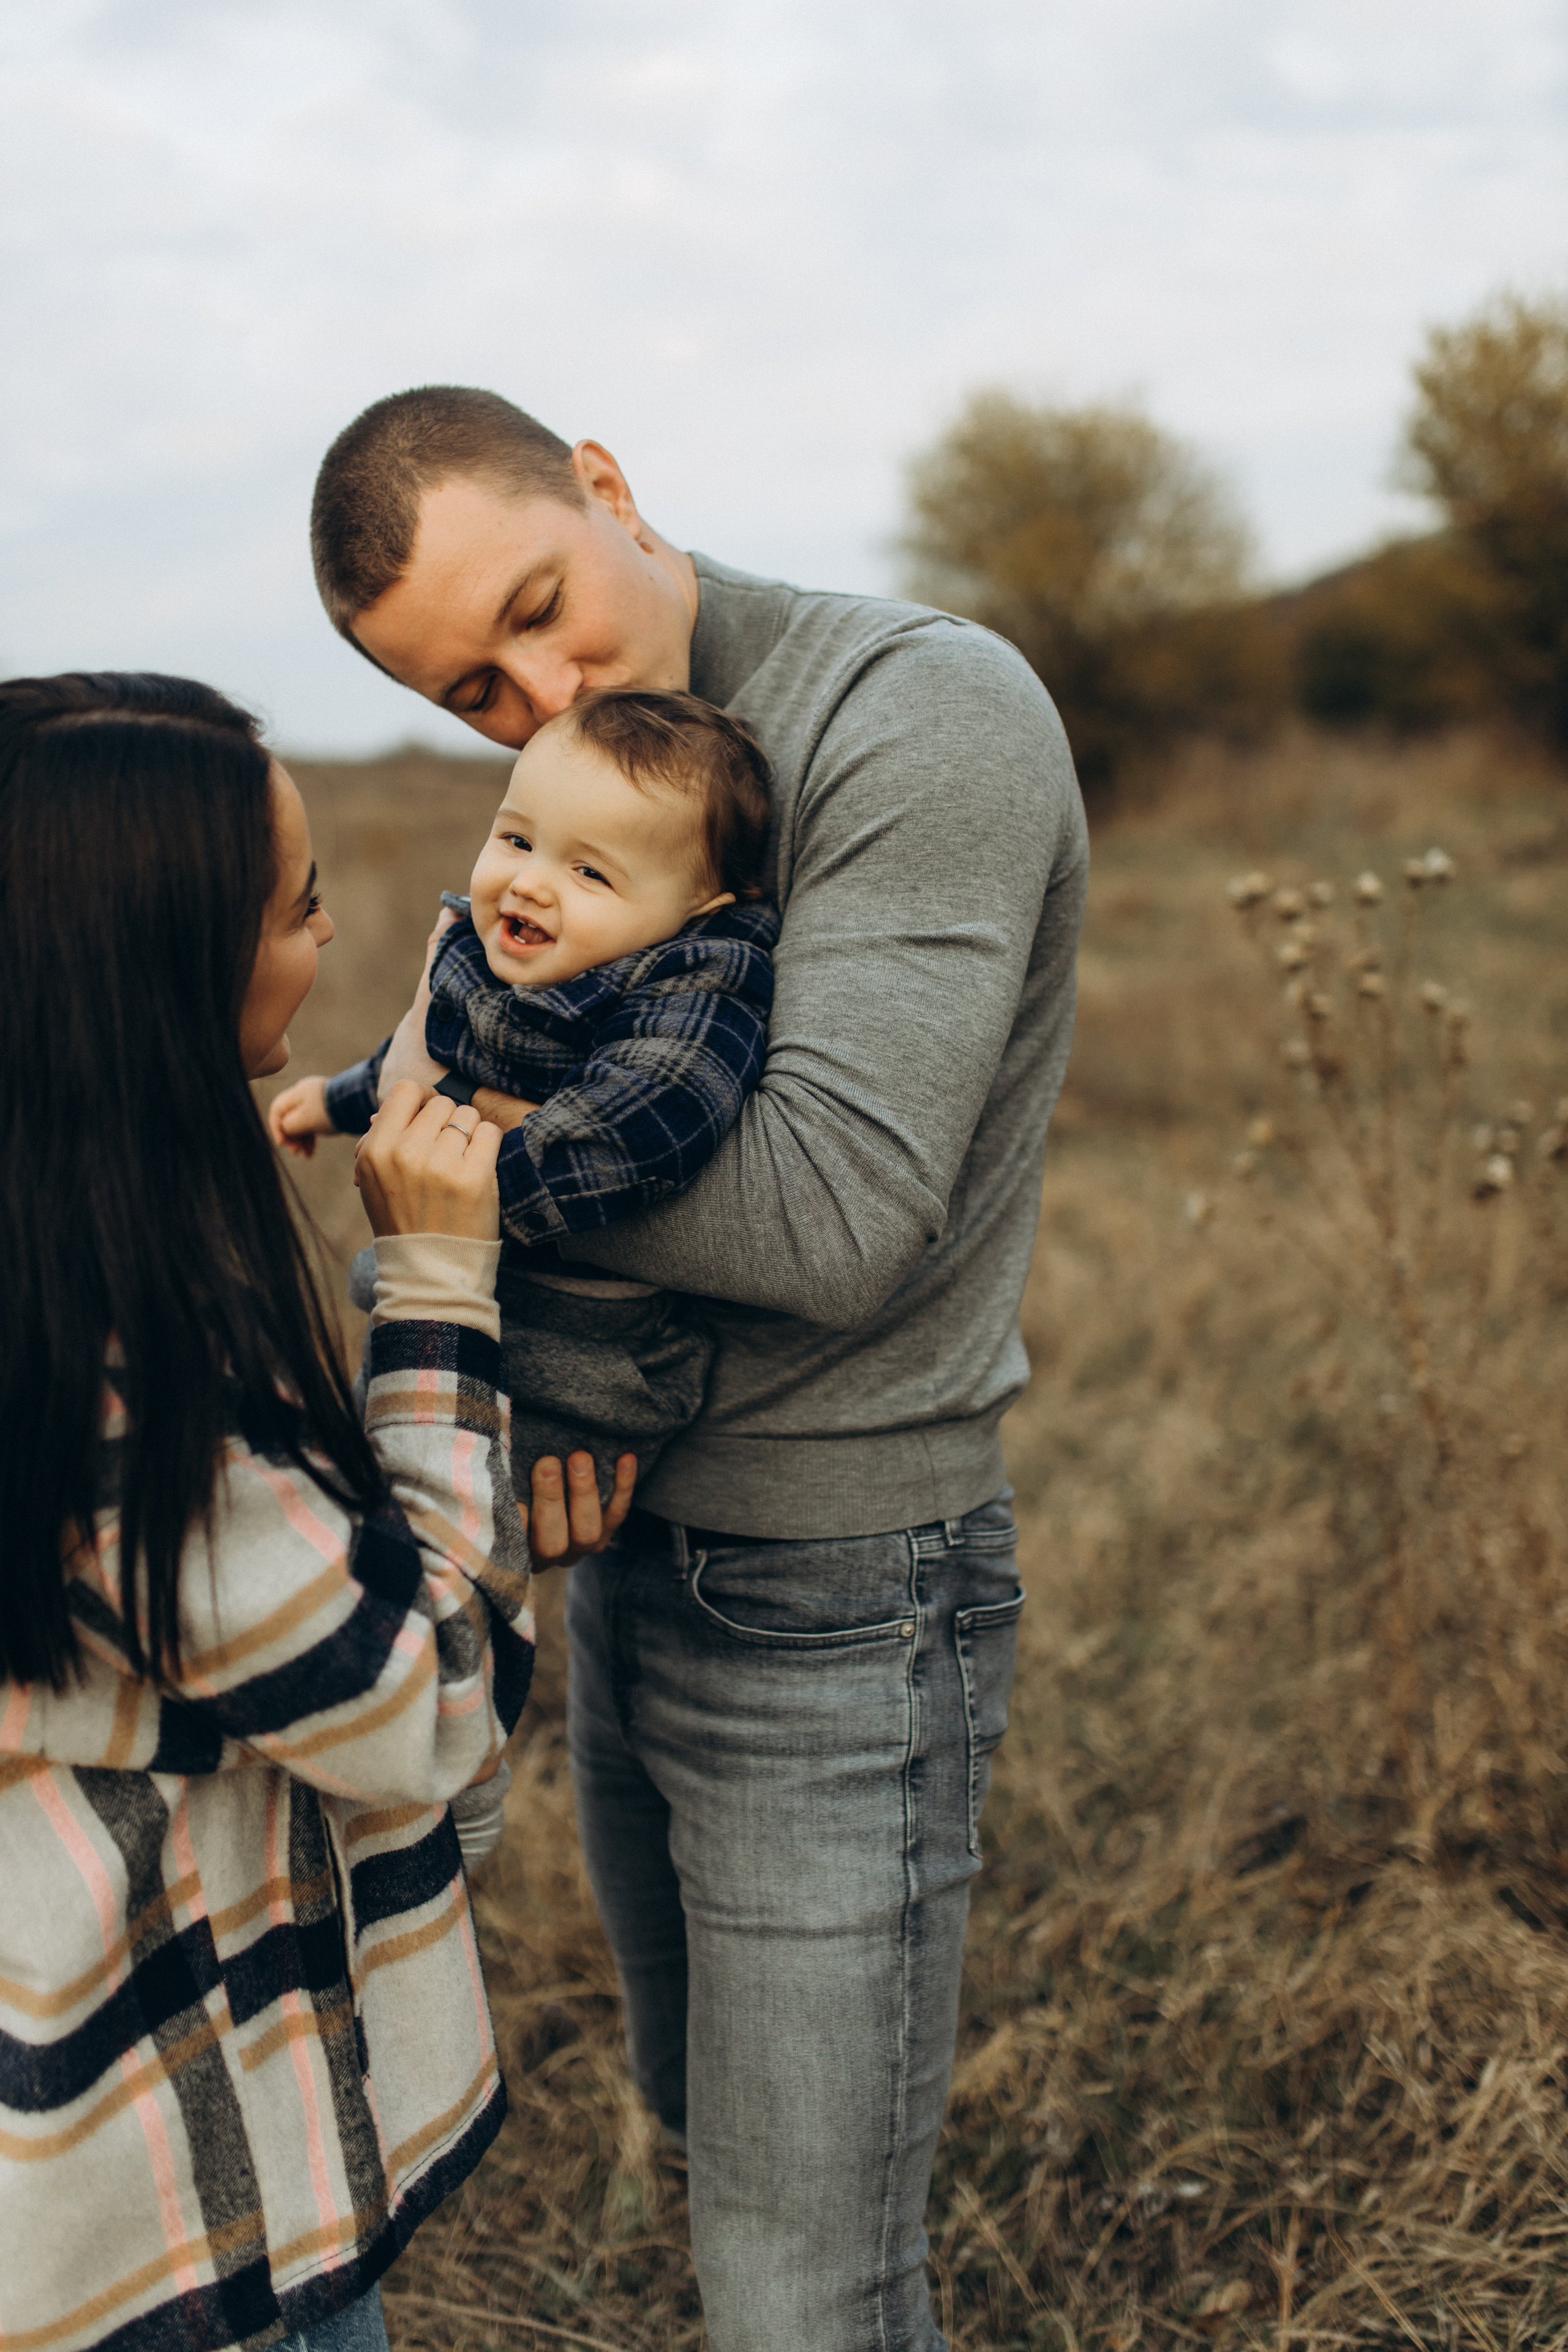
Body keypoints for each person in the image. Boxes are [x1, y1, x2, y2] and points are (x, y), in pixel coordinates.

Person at [309, 387, 1091, 2352]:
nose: (543, 685)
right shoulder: (572, 780)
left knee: (801, 2295)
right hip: (620, 1555)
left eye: (549, 604)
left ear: (606, 480)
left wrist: (442, 1151)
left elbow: (831, 1212)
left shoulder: (921, 716)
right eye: (475, 693)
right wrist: (548, 1363)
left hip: (838, 1594)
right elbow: (476, 1070)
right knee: (695, 2148)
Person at [0, 671, 624, 2352]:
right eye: (301, 903)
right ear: (154, 963)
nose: (335, 940)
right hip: (180, 2225)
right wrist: (437, 1300)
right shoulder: (126, 1373)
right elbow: (421, 1717)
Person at [268, 687, 779, 1504]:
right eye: (516, 839)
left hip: (582, 1363)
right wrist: (336, 1101)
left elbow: (635, 1133)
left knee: (417, 1513)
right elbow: (431, 1067)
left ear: (697, 909)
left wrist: (449, 1182)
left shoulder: (695, 987)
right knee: (359, 1473)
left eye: (588, 871)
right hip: (459, 1309)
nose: (530, 884)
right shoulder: (489, 946)